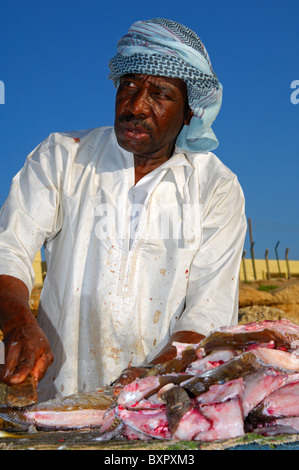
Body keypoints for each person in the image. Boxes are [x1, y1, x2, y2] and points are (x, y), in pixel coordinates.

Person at [0, 18, 247, 402]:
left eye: (160, 94)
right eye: (129, 85)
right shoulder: (63, 156)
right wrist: (18, 324)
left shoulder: (216, 187)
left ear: (190, 114)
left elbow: (209, 310)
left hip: (159, 404)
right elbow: (9, 248)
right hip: (56, 398)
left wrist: (151, 378)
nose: (135, 106)